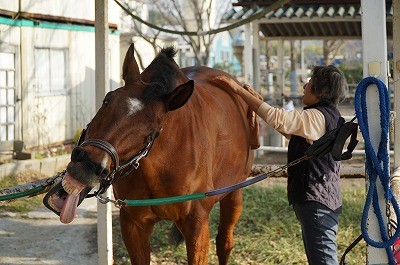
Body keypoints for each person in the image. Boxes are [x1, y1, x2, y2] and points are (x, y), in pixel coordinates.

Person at [214, 65, 348, 265]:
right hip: (321, 197)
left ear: (321, 91)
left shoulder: (317, 116)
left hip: (317, 201)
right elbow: (289, 131)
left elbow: (278, 118)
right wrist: (258, 103)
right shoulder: (329, 115)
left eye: (310, 82)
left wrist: (238, 90)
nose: (304, 86)